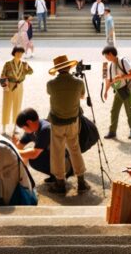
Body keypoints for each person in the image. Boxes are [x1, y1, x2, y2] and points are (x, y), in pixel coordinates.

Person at [46, 55, 89, 193]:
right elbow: (82, 96)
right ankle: (81, 180)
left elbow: (50, 93)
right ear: (70, 67)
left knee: (57, 151)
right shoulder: (78, 82)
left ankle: (60, 182)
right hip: (73, 121)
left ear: (57, 70)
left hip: (57, 122)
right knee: (74, 149)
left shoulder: (51, 84)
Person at [15, 108, 72, 183]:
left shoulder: (45, 129)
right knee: (28, 154)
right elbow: (20, 145)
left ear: (29, 122)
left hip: (64, 161)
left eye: (24, 128)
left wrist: (14, 151)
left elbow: (34, 154)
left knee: (33, 158)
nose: (24, 130)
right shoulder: (32, 129)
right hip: (52, 157)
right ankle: (54, 175)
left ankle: (59, 177)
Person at [102, 46, 131, 140]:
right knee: (114, 111)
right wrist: (106, 91)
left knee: (130, 111)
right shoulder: (110, 65)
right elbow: (109, 80)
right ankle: (112, 131)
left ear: (111, 54)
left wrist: (121, 77)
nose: (106, 58)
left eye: (106, 55)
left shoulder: (123, 61)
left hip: (127, 90)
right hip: (118, 90)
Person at [0, 46, 33, 135]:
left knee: (17, 106)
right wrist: (5, 86)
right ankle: (4, 126)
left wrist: (27, 67)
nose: (19, 55)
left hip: (19, 86)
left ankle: (16, 126)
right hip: (9, 85)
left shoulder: (23, 64)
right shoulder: (8, 64)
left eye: (21, 53)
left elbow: (31, 72)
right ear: (14, 53)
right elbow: (3, 75)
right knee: (7, 105)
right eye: (18, 53)